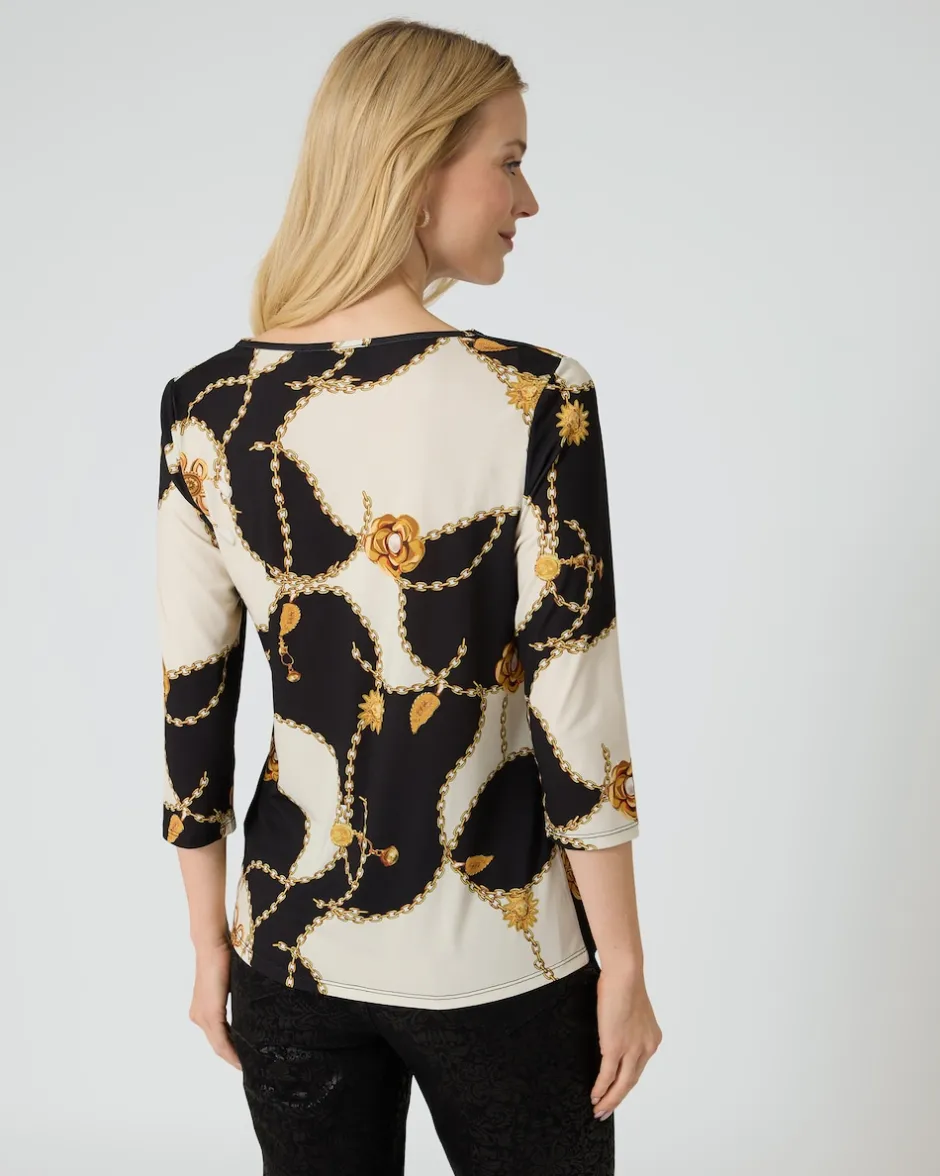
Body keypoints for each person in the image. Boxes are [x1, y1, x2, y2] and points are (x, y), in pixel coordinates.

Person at [156, 16, 662, 1175]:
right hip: (504, 960)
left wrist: (207, 942)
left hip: (287, 951)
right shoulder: (534, 396)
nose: (527, 201)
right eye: (510, 161)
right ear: (416, 162)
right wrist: (624, 962)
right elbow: (575, 701)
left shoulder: (208, 406)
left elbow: (190, 697)